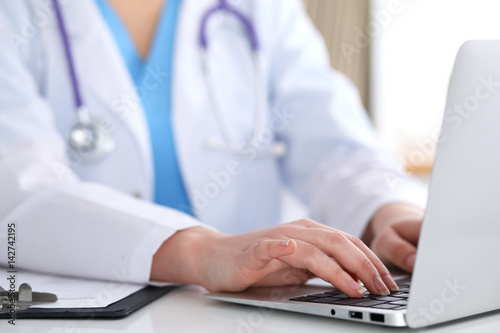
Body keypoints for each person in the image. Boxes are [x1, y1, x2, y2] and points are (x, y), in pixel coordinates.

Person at [0, 0, 426, 297]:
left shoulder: (260, 8)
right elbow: (19, 192)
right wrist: (201, 251)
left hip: (244, 313)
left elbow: (337, 146)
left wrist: (388, 212)